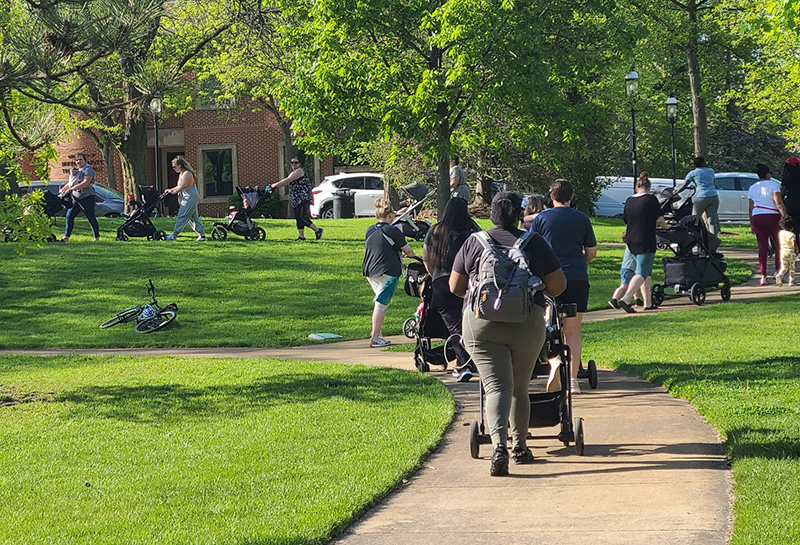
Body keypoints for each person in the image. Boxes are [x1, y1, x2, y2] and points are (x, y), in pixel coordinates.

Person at [450, 191, 566, 476]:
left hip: (481, 325)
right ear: (518, 214)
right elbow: (557, 286)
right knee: (519, 386)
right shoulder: (534, 243)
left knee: (495, 386)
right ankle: (521, 447)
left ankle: (498, 446)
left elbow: (455, 286)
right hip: (526, 323)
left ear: (491, 213)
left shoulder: (474, 243)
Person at [530, 179, 597, 394]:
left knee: (544, 325)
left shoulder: (541, 218)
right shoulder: (582, 219)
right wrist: (580, 263)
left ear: (551, 196)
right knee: (573, 331)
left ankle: (553, 361)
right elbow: (592, 252)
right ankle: (574, 380)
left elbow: (530, 247)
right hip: (576, 278)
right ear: (572, 196)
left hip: (549, 280)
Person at [422, 198, 479, 382]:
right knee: (470, 323)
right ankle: (473, 360)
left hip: (441, 282)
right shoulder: (473, 231)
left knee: (454, 325)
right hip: (468, 281)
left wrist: (434, 274)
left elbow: (426, 257)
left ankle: (463, 365)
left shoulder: (436, 230)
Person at [363, 198, 415, 348]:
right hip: (388, 270)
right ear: (390, 215)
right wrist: (412, 255)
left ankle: (377, 334)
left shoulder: (370, 229)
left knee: (380, 301)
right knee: (381, 304)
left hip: (370, 270)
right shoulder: (393, 230)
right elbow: (408, 250)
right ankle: (375, 337)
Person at [615, 173, 668, 313]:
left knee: (646, 271)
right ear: (649, 187)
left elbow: (626, 220)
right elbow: (660, 220)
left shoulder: (629, 200)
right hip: (645, 240)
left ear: (636, 186)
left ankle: (648, 303)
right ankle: (626, 299)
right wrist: (667, 227)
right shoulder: (651, 199)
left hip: (630, 240)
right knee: (641, 273)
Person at [748, 163, 785, 285]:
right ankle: (777, 271)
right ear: (768, 174)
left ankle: (763, 276)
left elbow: (750, 207)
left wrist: (751, 223)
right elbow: (778, 202)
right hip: (772, 216)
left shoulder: (752, 188)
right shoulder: (773, 185)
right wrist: (785, 215)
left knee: (762, 247)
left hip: (757, 216)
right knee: (778, 244)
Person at [269, 157, 323, 241]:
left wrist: (274, 185)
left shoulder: (299, 171)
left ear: (299, 164)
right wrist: (274, 186)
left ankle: (318, 230)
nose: (293, 164)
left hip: (303, 197)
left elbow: (288, 180)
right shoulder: (293, 172)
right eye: (292, 162)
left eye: (295, 162)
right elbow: (286, 181)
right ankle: (301, 236)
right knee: (298, 217)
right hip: (296, 198)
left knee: (302, 217)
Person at [58, 153, 99, 242]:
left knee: (90, 217)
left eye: (80, 159)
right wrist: (64, 189)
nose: (79, 161)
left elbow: (86, 182)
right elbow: (71, 183)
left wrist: (72, 188)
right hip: (76, 197)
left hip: (87, 196)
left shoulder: (88, 169)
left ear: (85, 160)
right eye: (77, 160)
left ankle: (96, 238)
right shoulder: (76, 170)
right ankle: (66, 238)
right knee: (69, 216)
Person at [164, 155, 207, 241]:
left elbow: (183, 186)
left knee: (182, 215)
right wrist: (170, 190)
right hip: (187, 198)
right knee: (193, 217)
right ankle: (202, 236)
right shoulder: (181, 174)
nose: (174, 168)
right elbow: (178, 186)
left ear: (180, 165)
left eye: (175, 167)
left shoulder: (187, 173)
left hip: (190, 198)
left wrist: (173, 192)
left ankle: (174, 235)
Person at [675, 156, 720, 236]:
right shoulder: (711, 171)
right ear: (703, 163)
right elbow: (710, 182)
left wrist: (676, 191)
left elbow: (684, 185)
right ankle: (713, 241)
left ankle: (696, 237)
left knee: (695, 219)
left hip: (701, 197)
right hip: (713, 196)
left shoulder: (693, 173)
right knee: (712, 222)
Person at [775, 215, 798, 286]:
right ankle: (791, 281)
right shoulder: (792, 235)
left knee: (784, 266)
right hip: (790, 251)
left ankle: (780, 274)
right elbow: (793, 243)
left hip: (783, 251)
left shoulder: (780, 233)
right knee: (792, 267)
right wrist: (796, 249)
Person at [780, 156, 800, 238]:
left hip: (791, 205)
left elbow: (782, 193)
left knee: (793, 228)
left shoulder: (787, 178)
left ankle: (796, 247)